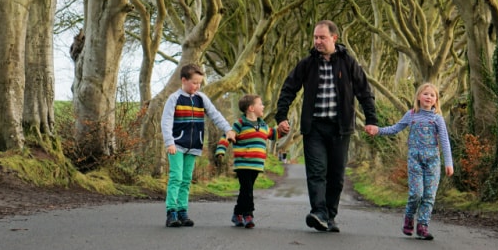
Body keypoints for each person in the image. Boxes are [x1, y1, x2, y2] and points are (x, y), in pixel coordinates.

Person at [276, 20, 378, 233]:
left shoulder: (348, 63)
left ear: (334, 38)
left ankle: (329, 216)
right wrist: (281, 117)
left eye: (322, 37)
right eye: (315, 37)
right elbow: (288, 89)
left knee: (336, 175)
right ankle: (319, 212)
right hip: (314, 128)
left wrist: (371, 120)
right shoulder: (307, 64)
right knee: (316, 171)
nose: (318, 41)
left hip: (340, 129)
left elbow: (364, 92)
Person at [365, 83, 454, 240]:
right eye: (425, 94)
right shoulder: (411, 115)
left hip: (433, 161)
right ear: (419, 97)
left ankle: (422, 226)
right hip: (415, 160)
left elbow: (445, 141)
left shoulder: (437, 119)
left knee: (429, 195)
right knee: (416, 193)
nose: (428, 97)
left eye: (432, 95)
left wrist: (449, 163)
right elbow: (395, 128)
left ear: (436, 100)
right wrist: (377, 130)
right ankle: (408, 218)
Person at [161, 63, 236, 228]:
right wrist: (169, 142)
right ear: (184, 80)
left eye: (199, 83)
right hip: (177, 145)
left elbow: (215, 114)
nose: (197, 86)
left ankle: (182, 211)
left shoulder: (201, 99)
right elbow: (166, 121)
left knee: (187, 179)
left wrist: (228, 129)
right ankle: (171, 212)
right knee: (176, 177)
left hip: (194, 145)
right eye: (194, 82)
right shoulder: (174, 98)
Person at [215, 94, 286, 229]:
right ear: (251, 108)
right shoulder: (240, 124)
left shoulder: (263, 124)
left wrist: (284, 130)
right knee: (247, 189)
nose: (263, 106)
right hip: (243, 163)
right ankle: (248, 214)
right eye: (260, 104)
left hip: (257, 164)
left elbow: (273, 134)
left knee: (245, 190)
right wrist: (221, 150)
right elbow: (227, 135)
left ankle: (237, 214)